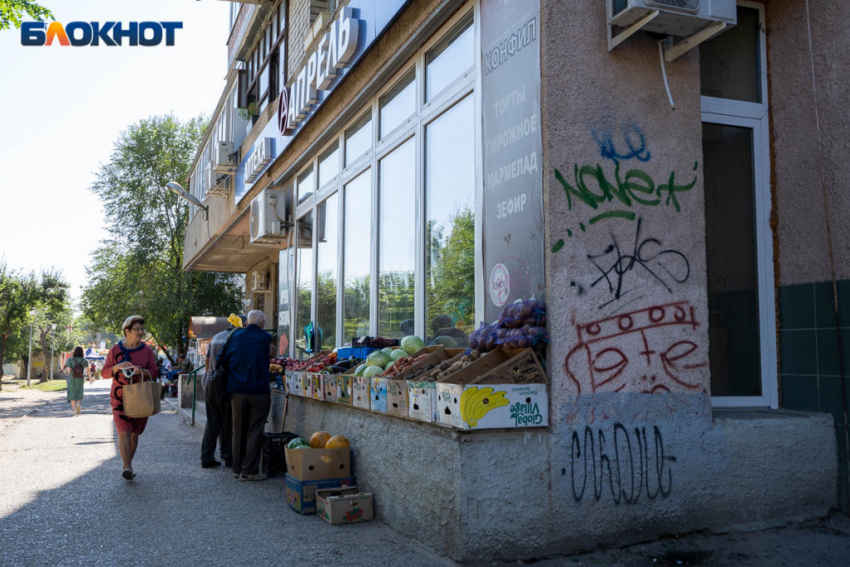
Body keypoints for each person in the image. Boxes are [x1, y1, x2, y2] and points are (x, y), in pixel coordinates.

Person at [101, 315, 159, 481]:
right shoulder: (115, 350)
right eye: (137, 329)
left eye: (142, 329)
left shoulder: (147, 350)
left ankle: (128, 463)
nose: (141, 332)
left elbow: (154, 372)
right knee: (124, 431)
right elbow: (104, 373)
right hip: (119, 398)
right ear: (127, 331)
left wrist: (143, 371)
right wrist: (117, 367)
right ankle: (127, 467)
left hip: (141, 396)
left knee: (134, 433)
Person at [218, 310, 272, 481]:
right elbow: (271, 353)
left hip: (237, 389)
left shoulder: (235, 336)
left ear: (247, 322)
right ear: (262, 323)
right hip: (259, 390)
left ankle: (236, 469)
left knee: (238, 429)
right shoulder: (265, 338)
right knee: (255, 430)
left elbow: (222, 359)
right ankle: (249, 471)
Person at [200, 317, 244, 469]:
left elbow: (207, 361)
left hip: (210, 382)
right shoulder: (235, 338)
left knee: (212, 423)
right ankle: (227, 456)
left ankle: (206, 458)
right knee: (227, 422)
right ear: (241, 326)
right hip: (224, 383)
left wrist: (209, 375)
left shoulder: (217, 336)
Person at [61, 347, 91, 415]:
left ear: (74, 352)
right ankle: (78, 404)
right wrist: (90, 379)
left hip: (72, 378)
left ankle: (74, 410)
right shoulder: (84, 361)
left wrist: (69, 374)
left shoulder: (70, 360)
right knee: (79, 391)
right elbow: (88, 370)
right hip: (80, 378)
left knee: (72, 393)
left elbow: (68, 370)